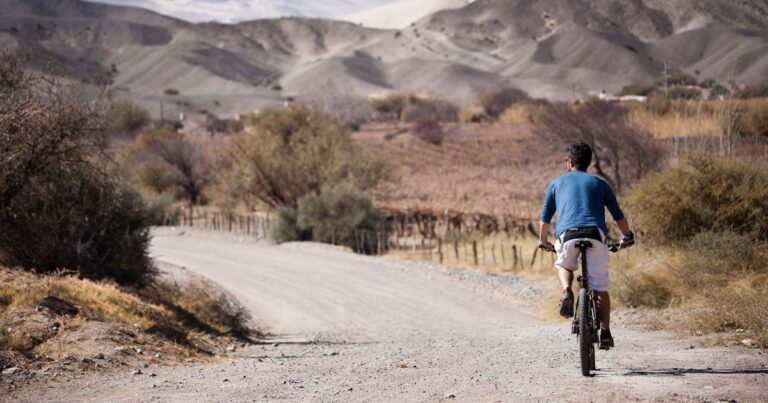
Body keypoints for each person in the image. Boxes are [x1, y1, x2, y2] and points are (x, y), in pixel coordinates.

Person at [537, 143, 634, 349]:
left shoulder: (556, 183)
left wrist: (543, 241)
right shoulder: (600, 184)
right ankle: (606, 332)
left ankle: (566, 292)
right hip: (595, 235)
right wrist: (627, 236)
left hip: (567, 234)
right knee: (600, 288)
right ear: (588, 162)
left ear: (569, 162)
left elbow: (545, 218)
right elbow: (618, 215)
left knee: (564, 266)